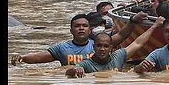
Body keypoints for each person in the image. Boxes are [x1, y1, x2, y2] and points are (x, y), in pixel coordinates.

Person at [10, 12, 148, 66]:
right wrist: (21, 57)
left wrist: (132, 21)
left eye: (84, 26)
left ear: (90, 30)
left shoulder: (100, 45)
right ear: (71, 30)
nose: (81, 28)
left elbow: (122, 36)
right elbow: (40, 57)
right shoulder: (62, 48)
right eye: (77, 26)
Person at [66, 17, 165, 78]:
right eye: (99, 46)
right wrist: (74, 71)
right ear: (94, 47)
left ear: (111, 48)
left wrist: (154, 26)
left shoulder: (118, 56)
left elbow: (137, 43)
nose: (102, 49)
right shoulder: (87, 63)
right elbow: (70, 71)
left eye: (105, 46)